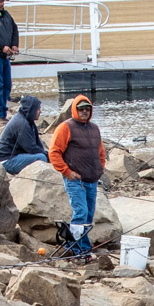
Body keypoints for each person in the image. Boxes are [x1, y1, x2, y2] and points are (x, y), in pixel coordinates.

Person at [48, 94, 106, 255]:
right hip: (75, 181)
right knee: (80, 213)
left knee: (88, 216)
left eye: (87, 108)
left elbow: (101, 152)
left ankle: (84, 248)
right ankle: (74, 249)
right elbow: (54, 153)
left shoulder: (95, 128)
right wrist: (67, 172)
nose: (84, 111)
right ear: (75, 109)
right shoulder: (65, 127)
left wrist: (100, 169)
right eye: (81, 109)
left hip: (92, 180)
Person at [0, 94, 48, 174]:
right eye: (38, 109)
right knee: (41, 158)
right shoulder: (22, 124)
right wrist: (48, 156)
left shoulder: (28, 120)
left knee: (45, 155)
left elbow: (37, 145)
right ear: (32, 110)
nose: (40, 112)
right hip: (7, 161)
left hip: (18, 156)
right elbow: (31, 149)